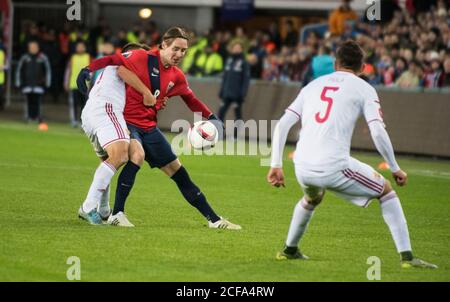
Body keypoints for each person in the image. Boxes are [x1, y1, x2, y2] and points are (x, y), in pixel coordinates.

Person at [267, 40, 437, 269]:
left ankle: (289, 250)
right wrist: (395, 167)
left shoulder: (313, 85)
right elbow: (377, 130)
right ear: (363, 67)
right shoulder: (364, 88)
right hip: (334, 166)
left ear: (336, 64)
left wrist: (276, 164)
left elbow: (282, 124)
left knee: (313, 198)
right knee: (386, 190)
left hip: (302, 166)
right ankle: (408, 258)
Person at [78, 27, 241, 230]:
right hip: (127, 123)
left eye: (183, 51)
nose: (179, 55)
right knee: (136, 155)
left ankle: (214, 219)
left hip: (149, 127)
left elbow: (191, 100)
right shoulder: (139, 59)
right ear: (164, 45)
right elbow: (115, 62)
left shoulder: (177, 76)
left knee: (179, 172)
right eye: (176, 49)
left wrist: (212, 118)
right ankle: (116, 213)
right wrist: (88, 69)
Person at [78, 43, 154, 225]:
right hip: (107, 108)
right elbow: (121, 68)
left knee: (108, 160)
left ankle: (103, 210)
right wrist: (146, 92)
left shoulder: (110, 70)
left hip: (90, 113)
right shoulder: (125, 63)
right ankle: (88, 207)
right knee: (121, 154)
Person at [15, 40, 51, 124]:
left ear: (38, 48)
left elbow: (48, 71)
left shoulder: (43, 58)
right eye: (31, 47)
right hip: (27, 84)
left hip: (39, 85)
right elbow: (19, 70)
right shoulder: (24, 58)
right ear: (28, 48)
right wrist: (18, 82)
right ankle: (28, 117)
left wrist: (47, 83)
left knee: (37, 102)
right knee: (28, 102)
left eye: (35, 47)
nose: (33, 49)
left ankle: (38, 117)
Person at [217, 40, 250, 123]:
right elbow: (225, 78)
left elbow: (246, 80)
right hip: (227, 93)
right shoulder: (229, 61)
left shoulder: (244, 62)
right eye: (234, 48)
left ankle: (235, 135)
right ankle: (219, 132)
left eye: (238, 48)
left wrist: (242, 94)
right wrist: (222, 91)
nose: (236, 49)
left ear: (242, 50)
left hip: (237, 94)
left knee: (238, 115)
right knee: (220, 113)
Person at [64, 40, 91, 127]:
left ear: (85, 48)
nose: (80, 48)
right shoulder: (73, 57)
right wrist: (66, 82)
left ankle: (83, 121)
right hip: (74, 85)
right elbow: (68, 71)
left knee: (85, 104)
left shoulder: (88, 57)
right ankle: (74, 121)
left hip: (85, 86)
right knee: (74, 104)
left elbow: (92, 71)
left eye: (81, 46)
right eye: (78, 47)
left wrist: (91, 83)